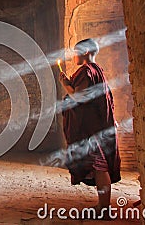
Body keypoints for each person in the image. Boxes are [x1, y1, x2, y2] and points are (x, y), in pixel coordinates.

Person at [58, 38, 121, 216]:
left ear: (85, 52)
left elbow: (80, 97)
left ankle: (104, 209)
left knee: (100, 167)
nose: (74, 55)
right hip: (97, 125)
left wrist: (65, 85)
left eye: (77, 52)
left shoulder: (86, 70)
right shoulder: (97, 70)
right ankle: (103, 206)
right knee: (99, 165)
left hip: (90, 129)